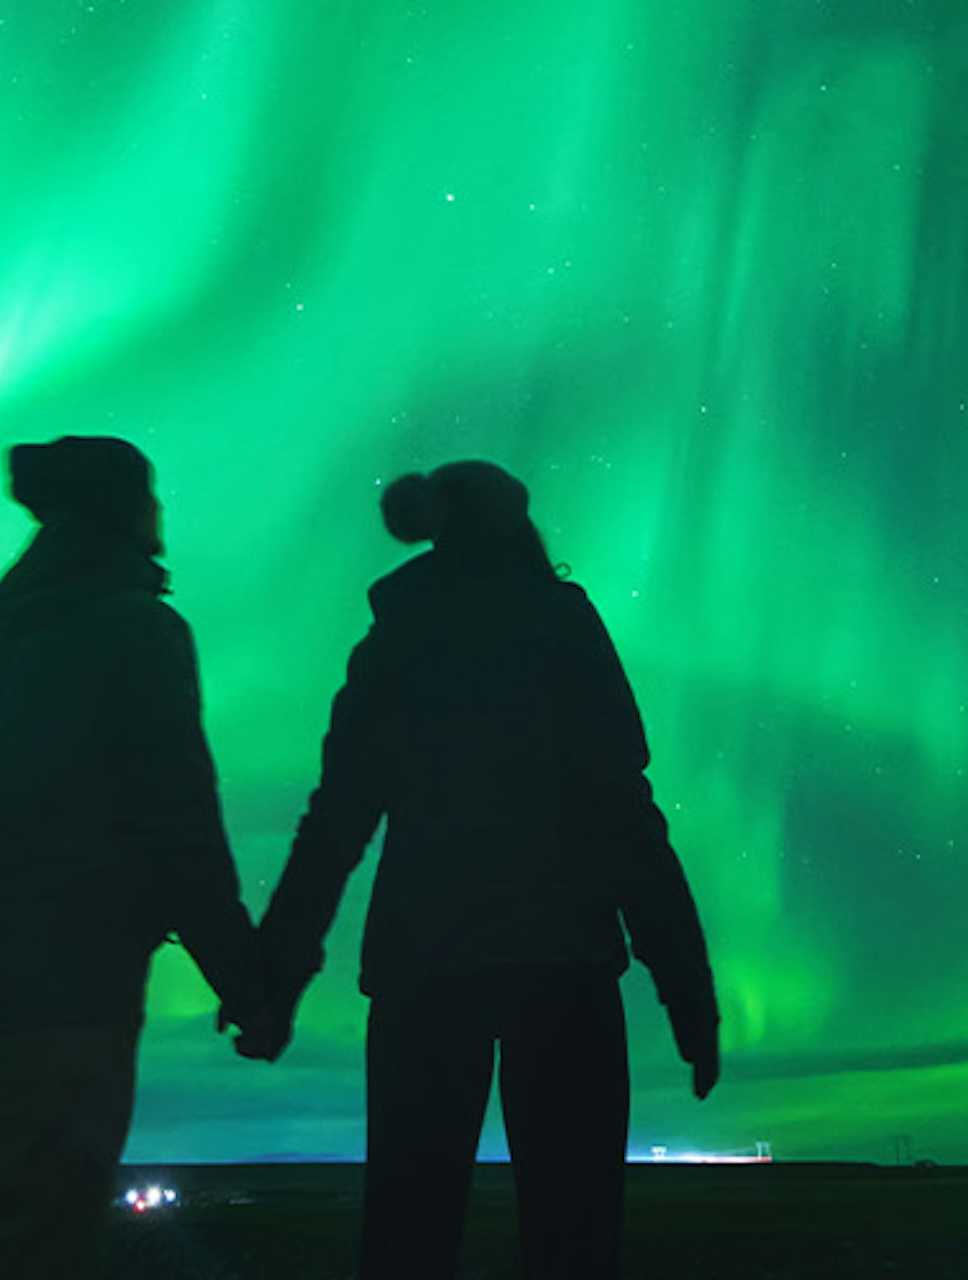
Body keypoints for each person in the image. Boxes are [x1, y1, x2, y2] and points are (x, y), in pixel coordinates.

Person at [253, 460, 722, 1280]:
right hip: (562, 966)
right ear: (518, 526)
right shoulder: (560, 626)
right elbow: (624, 815)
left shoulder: (397, 640)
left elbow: (336, 822)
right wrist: (686, 989)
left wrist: (276, 973)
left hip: (423, 969)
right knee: (573, 1240)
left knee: (407, 1233)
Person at [0, 436, 286, 1280]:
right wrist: (245, 980)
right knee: (32, 1245)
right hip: (66, 1000)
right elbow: (180, 823)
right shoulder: (139, 631)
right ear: (131, 511)